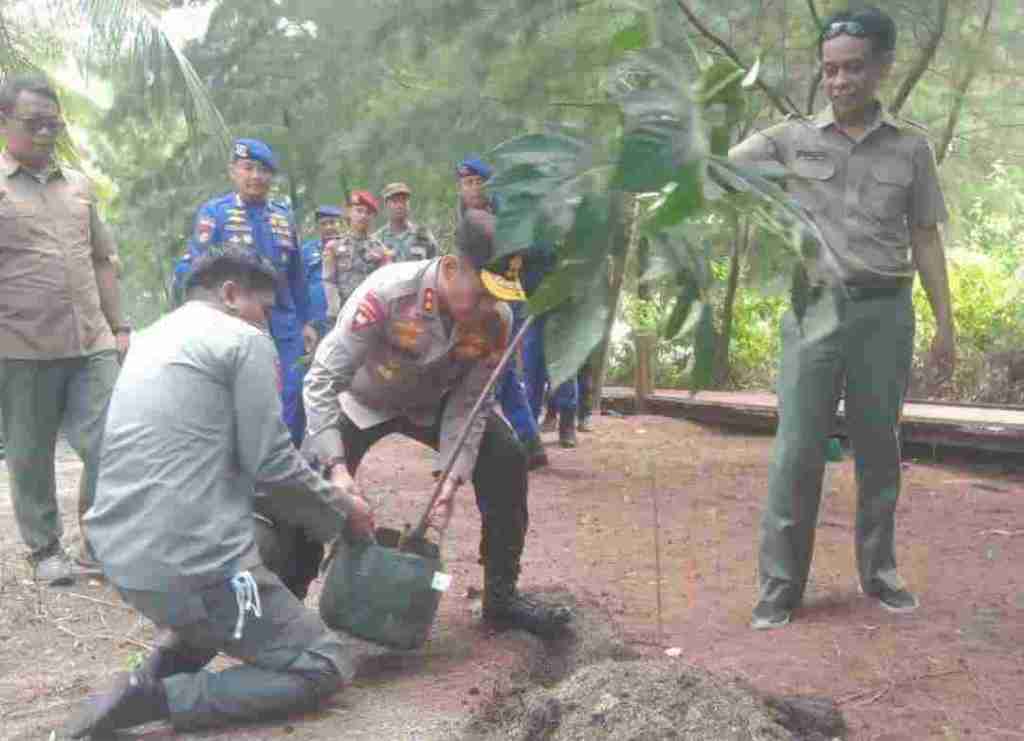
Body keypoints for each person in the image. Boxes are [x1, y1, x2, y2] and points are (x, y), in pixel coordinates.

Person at [69, 247, 370, 738]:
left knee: (286, 540)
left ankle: (156, 669)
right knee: (325, 662)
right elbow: (273, 466)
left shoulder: (151, 338)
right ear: (231, 295)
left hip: (123, 556)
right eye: (265, 310)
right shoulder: (241, 340)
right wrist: (344, 513)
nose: (268, 324)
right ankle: (157, 697)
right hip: (189, 563)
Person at [730, 6, 955, 630]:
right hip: (814, 313)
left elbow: (926, 237)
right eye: (830, 70)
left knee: (880, 449)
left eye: (854, 68)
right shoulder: (788, 140)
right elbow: (719, 170)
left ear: (882, 67)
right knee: (797, 449)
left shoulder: (912, 148)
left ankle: (879, 574)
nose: (840, 81)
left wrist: (945, 324)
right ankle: (779, 588)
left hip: (886, 314)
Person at [303, 207, 572, 636]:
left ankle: (501, 597)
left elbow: (471, 405)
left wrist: (452, 479)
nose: (491, 307)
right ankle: (290, 600)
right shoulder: (387, 293)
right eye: (482, 294)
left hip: (434, 405)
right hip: (363, 399)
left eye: (499, 298)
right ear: (451, 268)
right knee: (311, 479)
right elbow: (320, 381)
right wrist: (337, 469)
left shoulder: (496, 322)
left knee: (505, 456)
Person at [0, 73, 129, 585]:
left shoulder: (79, 185)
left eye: (54, 124)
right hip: (21, 346)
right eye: (34, 124)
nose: (47, 133)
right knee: (30, 452)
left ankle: (99, 542)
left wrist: (119, 325)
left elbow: (102, 259)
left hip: (91, 340)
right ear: (4, 121)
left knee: (112, 440)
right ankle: (45, 549)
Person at [185, 138, 316, 447]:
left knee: (293, 393)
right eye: (249, 168)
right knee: (239, 394)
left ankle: (286, 461)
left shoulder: (284, 216)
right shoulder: (215, 214)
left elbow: (296, 274)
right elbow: (199, 273)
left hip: (283, 323)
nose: (256, 176)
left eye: (264, 170)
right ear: (234, 171)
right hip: (233, 322)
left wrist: (307, 321)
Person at [456, 157, 547, 468]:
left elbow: (536, 251)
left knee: (498, 368)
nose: (470, 189)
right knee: (497, 370)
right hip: (479, 301)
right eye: (465, 183)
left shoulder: (507, 214)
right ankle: (528, 440)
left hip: (508, 300)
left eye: (476, 182)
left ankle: (521, 441)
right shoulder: (465, 217)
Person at [322, 189, 392, 324]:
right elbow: (329, 281)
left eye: (368, 213)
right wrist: (335, 311)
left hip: (371, 315)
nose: (363, 216)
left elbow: (385, 285)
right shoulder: (333, 247)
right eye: (359, 211)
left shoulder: (381, 250)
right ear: (349, 213)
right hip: (342, 315)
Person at [300, 204, 344, 340]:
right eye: (324, 224)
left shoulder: (349, 247)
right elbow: (300, 285)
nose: (329, 227)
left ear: (341, 224)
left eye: (332, 222)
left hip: (344, 313)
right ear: (318, 227)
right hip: (317, 318)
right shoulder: (307, 251)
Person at [374, 181, 440, 261]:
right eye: (395, 201)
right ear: (386, 205)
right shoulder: (378, 240)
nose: (400, 205)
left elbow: (435, 267)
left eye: (404, 200)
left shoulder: (423, 236)